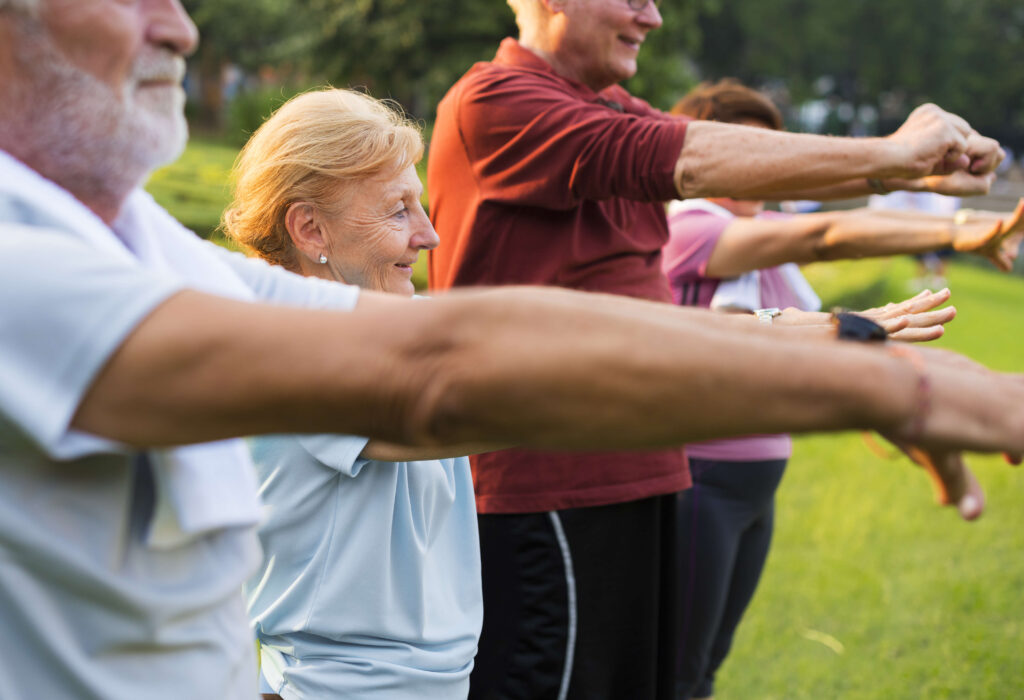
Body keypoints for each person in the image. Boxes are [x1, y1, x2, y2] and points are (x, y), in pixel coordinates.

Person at [3, 2, 1024, 699]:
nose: (180, 25)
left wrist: (857, 349)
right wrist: (878, 382)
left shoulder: (158, 256)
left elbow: (544, 325)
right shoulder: (25, 265)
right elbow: (443, 372)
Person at [426, 1, 1008, 698]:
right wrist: (892, 155)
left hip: (643, 471)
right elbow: (697, 161)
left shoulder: (611, 105)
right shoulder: (496, 101)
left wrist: (913, 175)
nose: (654, 16)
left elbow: (724, 166)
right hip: (549, 489)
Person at [664, 79, 1024, 700]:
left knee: (705, 669)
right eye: (755, 150)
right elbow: (825, 235)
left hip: (755, 480)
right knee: (675, 674)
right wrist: (954, 227)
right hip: (703, 479)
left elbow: (831, 238)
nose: (770, 166)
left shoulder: (755, 226)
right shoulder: (692, 227)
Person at [224, 88, 482, 700]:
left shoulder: (377, 327)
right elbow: (472, 411)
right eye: (399, 210)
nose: (430, 235)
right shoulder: (296, 351)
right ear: (310, 228)